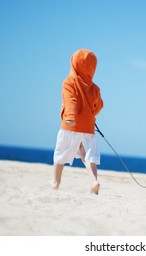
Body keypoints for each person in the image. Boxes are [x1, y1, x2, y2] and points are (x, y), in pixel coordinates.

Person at [51, 49, 104, 194]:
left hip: (71, 126)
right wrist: (90, 115)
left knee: (60, 154)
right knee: (88, 156)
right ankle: (93, 180)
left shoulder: (69, 82)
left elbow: (71, 100)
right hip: (88, 128)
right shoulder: (95, 88)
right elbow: (99, 105)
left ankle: (55, 183)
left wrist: (70, 117)